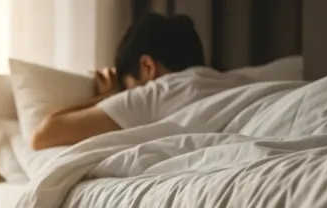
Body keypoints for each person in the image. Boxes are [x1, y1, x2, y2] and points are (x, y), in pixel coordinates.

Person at [31, 13, 247, 150]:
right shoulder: (239, 81)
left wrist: (110, 93)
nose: (128, 93)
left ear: (148, 67)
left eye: (128, 86)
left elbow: (43, 134)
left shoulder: (157, 92)